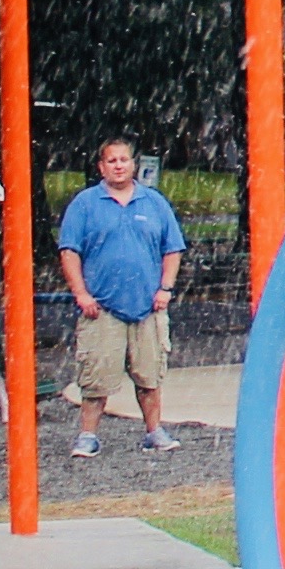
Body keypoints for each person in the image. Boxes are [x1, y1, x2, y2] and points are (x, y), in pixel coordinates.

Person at [55, 134, 187, 456]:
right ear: (101, 167)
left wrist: (165, 289)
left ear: (133, 164)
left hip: (148, 307)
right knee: (96, 376)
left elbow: (173, 249)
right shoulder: (85, 204)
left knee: (150, 375)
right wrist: (81, 294)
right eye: (111, 160)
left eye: (124, 160)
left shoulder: (155, 203)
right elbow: (69, 251)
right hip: (101, 309)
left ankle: (154, 432)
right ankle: (88, 436)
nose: (118, 166)